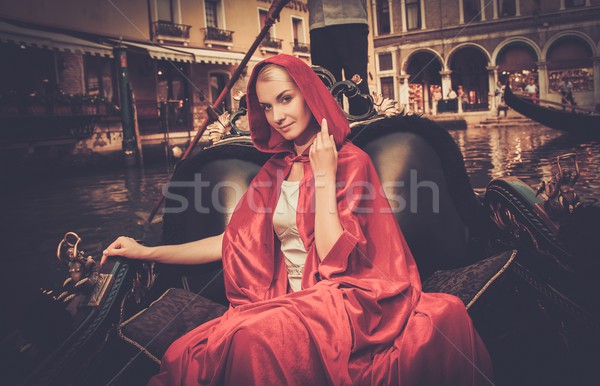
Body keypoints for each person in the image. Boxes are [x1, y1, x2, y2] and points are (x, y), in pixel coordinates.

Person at [103, 54, 493, 385]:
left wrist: (323, 176)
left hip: (346, 298)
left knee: (247, 339)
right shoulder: (274, 171)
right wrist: (147, 251)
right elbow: (230, 243)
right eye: (267, 106)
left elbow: (332, 256)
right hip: (284, 301)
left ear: (308, 95)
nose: (276, 116)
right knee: (187, 351)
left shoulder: (351, 161)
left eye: (285, 99)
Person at [307, 0, 369, 115]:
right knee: (326, 87)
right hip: (319, 23)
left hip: (352, 18)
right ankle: (333, 130)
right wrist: (275, 7)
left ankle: (363, 129)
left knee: (357, 84)